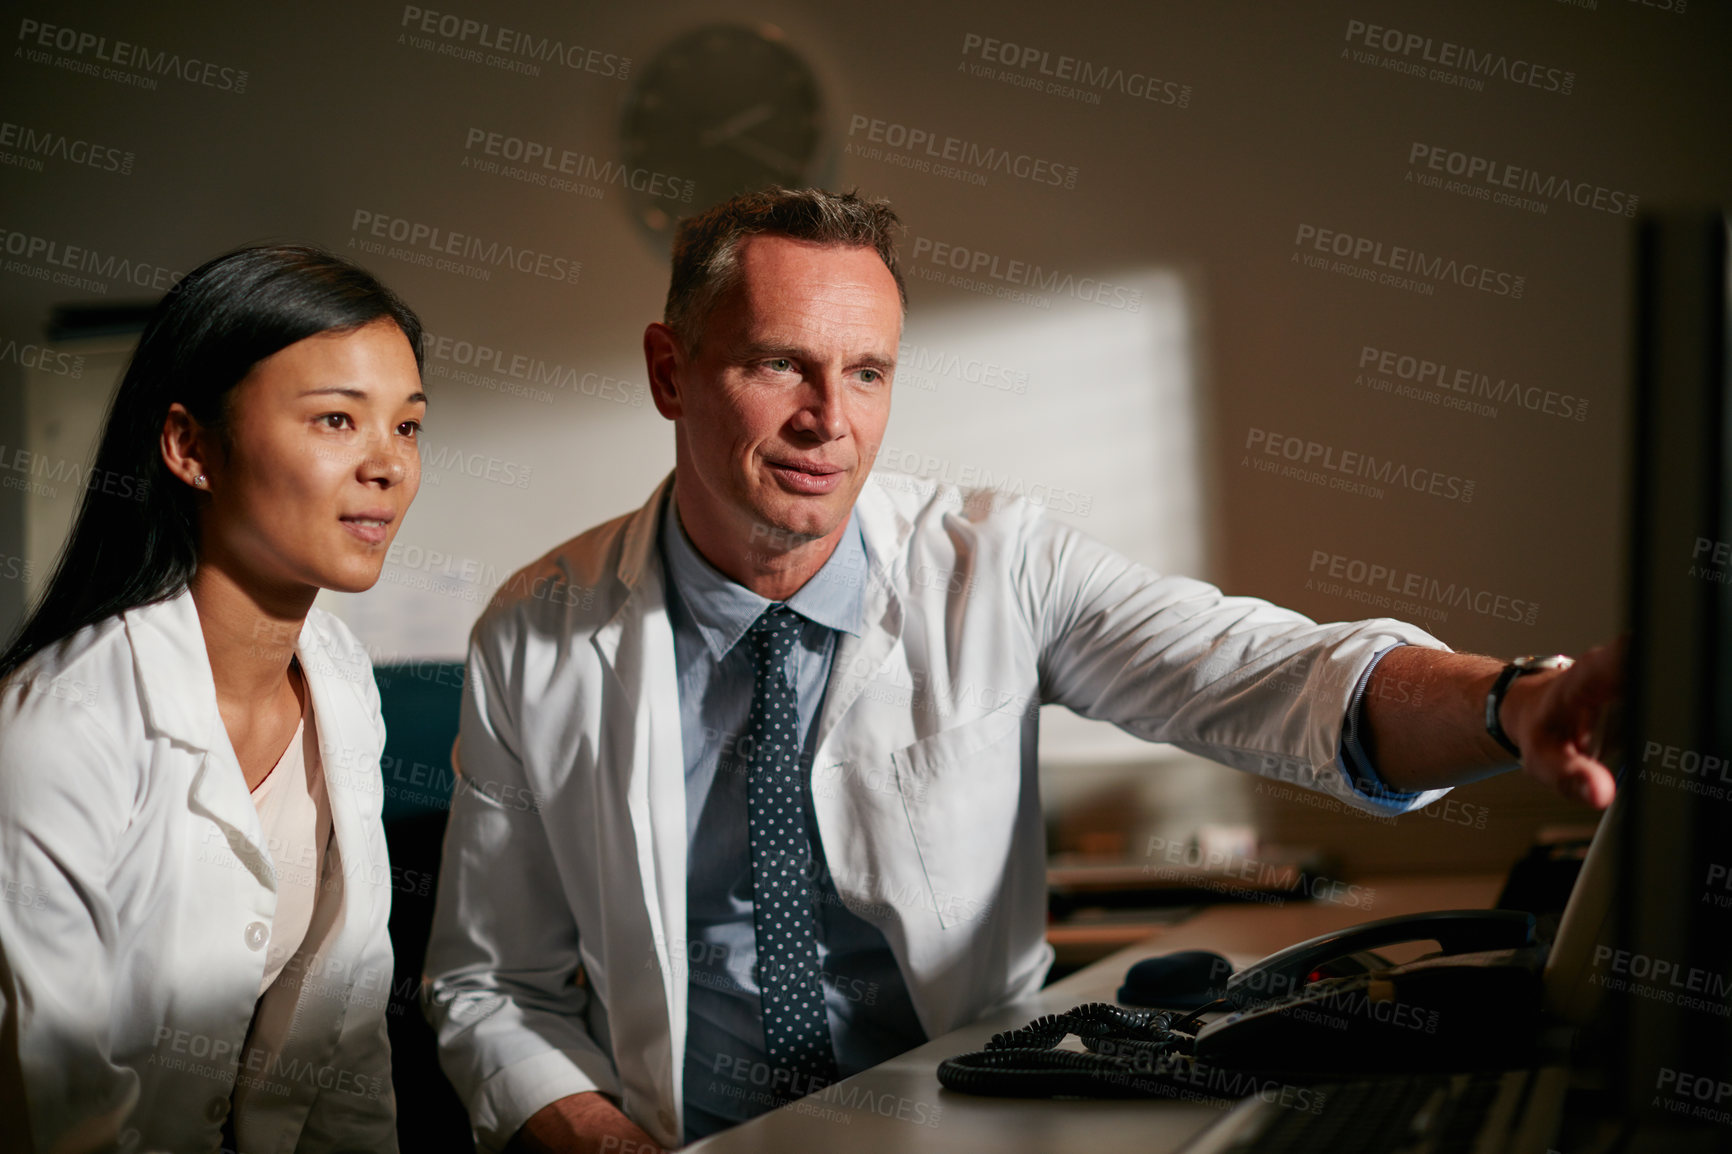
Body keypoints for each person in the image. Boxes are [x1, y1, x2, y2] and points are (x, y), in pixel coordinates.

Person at [422, 188, 1620, 1153]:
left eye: (869, 372)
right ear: (670, 371)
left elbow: (1264, 672)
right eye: (779, 365)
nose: (827, 420)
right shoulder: (538, 630)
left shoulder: (994, 562)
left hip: (969, 1121)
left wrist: (1511, 699)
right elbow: (491, 984)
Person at [0, 244, 427, 1151]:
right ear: (191, 447)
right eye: (337, 421)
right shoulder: (57, 729)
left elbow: (346, 1042)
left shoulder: (342, 677)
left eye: (408, 426)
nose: (387, 465)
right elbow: (60, 1120)